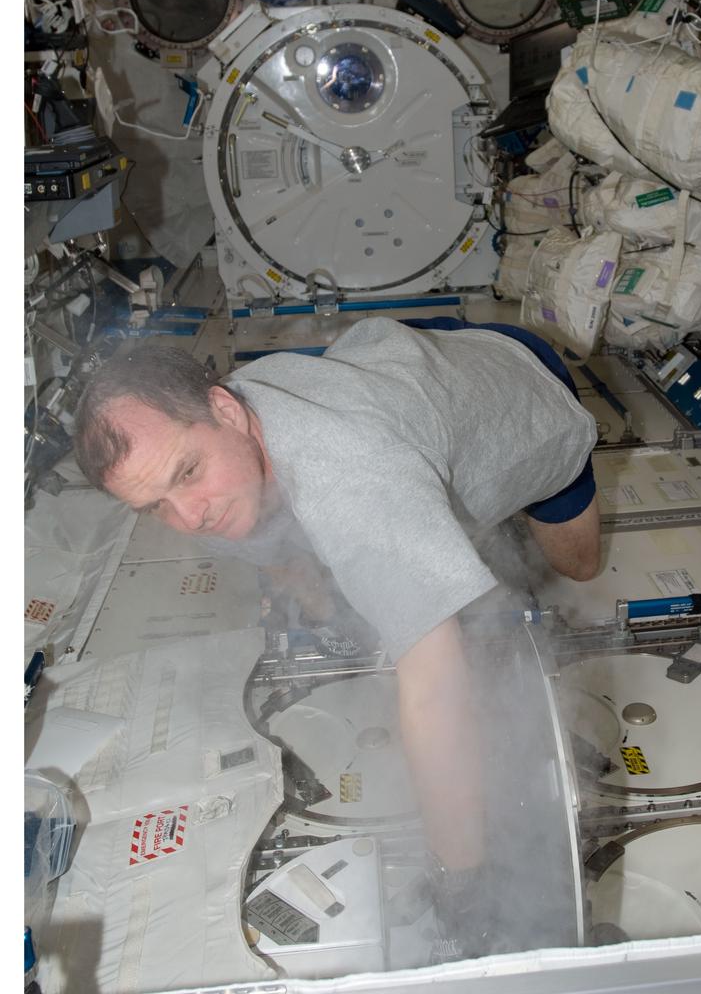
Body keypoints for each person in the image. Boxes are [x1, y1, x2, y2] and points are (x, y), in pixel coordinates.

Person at [73, 315, 600, 957]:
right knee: (390, 538)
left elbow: (435, 692)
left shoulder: (352, 474)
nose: (188, 517)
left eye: (186, 474)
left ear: (225, 409)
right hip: (412, 380)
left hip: (524, 388)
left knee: (577, 565)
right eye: (153, 505)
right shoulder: (218, 454)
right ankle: (436, 531)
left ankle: (481, 521)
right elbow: (267, 534)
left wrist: (462, 881)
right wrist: (324, 606)